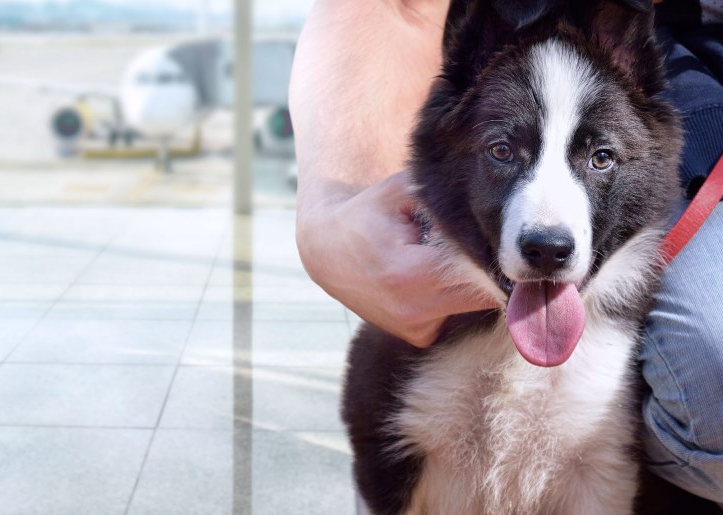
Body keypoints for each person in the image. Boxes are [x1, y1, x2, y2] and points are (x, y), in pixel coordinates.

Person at [289, 0, 723, 504]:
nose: (548, 227)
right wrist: (331, 210)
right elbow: (395, 8)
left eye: (600, 156)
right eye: (502, 150)